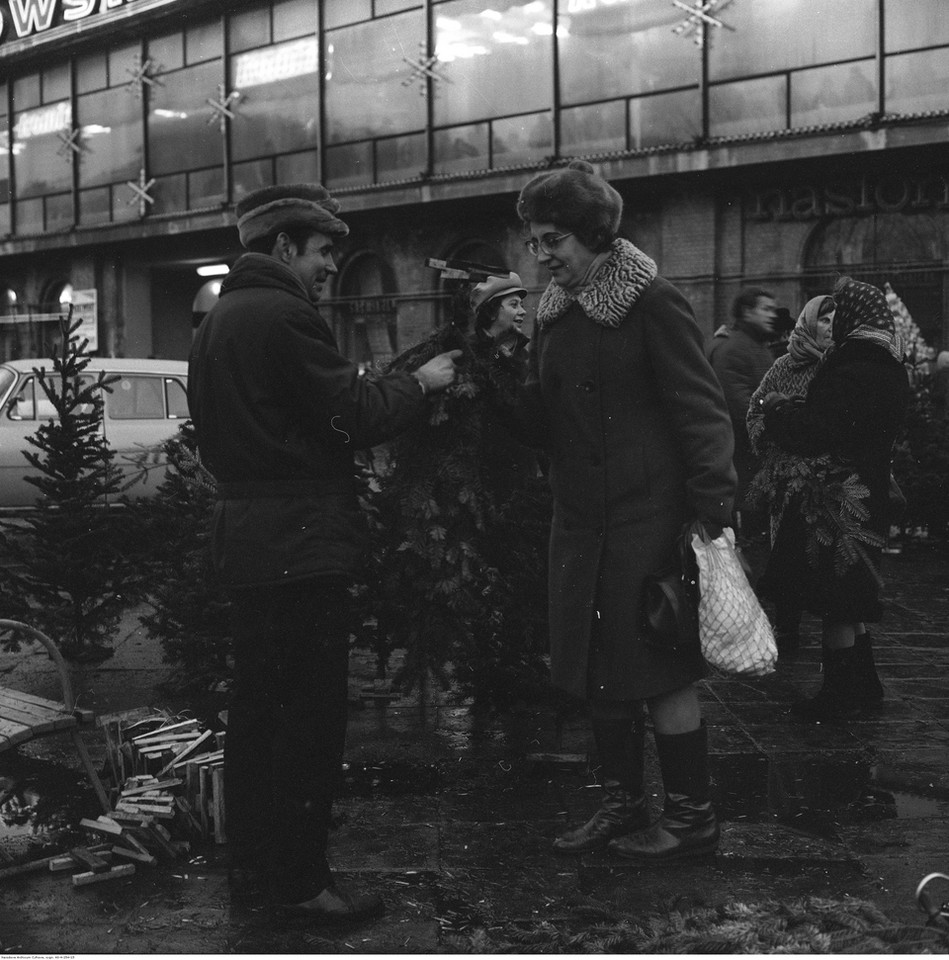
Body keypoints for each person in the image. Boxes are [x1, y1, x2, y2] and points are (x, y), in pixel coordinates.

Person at [188, 183, 460, 923]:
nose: (331, 266)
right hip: (300, 541)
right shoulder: (284, 316)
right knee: (306, 721)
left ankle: (254, 877)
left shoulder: (218, 320)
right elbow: (355, 412)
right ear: (283, 248)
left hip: (249, 538)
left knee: (256, 719)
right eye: (323, 250)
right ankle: (302, 885)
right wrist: (420, 383)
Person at [513, 159, 736, 862]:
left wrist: (712, 510)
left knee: (658, 669)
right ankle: (619, 805)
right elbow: (546, 420)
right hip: (579, 523)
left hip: (647, 521)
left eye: (553, 240)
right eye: (535, 242)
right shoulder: (552, 312)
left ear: (593, 235)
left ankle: (692, 819)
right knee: (592, 669)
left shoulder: (651, 301)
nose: (541, 256)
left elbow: (701, 410)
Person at [756, 277, 909, 722]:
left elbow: (816, 431)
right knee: (853, 597)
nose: (834, 321)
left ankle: (838, 696)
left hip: (838, 496)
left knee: (836, 601)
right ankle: (865, 686)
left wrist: (780, 408)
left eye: (840, 313)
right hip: (869, 490)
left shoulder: (851, 366)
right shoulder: (888, 363)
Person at [746, 294, 835, 654]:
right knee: (787, 546)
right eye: (825, 320)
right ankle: (787, 625)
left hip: (828, 477)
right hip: (788, 476)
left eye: (836, 320)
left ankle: (832, 622)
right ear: (810, 324)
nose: (832, 327)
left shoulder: (836, 365)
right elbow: (755, 409)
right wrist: (774, 446)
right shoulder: (783, 365)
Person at [707, 286, 778, 539]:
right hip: (744, 465)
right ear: (747, 312)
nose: (773, 315)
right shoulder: (734, 349)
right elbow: (743, 408)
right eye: (766, 309)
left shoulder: (756, 346)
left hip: (757, 465)